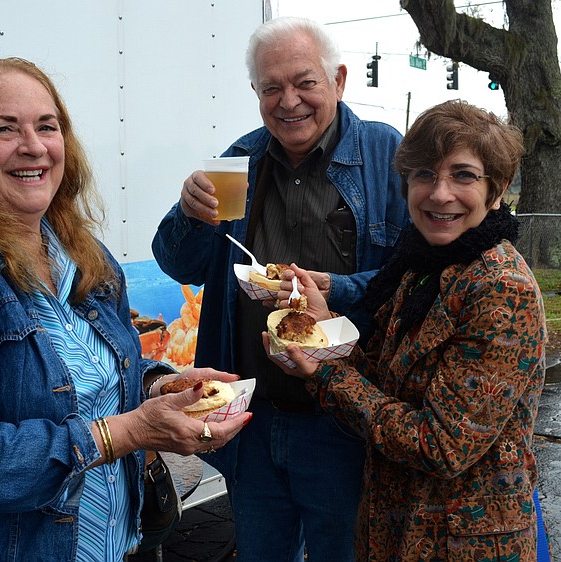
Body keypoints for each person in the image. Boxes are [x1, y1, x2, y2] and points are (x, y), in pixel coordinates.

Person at [0, 57, 249, 562]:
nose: (35, 146)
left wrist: (162, 385)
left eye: (48, 126)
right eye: (5, 128)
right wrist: (131, 431)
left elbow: (101, 374)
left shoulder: (82, 255)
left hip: (116, 546)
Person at [152, 16, 411, 562]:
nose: (288, 101)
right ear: (256, 93)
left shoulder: (387, 156)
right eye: (271, 88)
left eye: (305, 82)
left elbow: (413, 276)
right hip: (254, 415)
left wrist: (337, 290)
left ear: (338, 81)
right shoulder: (239, 160)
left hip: (341, 419)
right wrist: (189, 216)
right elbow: (182, 264)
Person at [271, 99, 547, 561]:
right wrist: (323, 328)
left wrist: (323, 373)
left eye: (462, 175)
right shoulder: (422, 266)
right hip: (396, 528)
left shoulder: (500, 287)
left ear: (495, 190)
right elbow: (382, 379)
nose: (440, 194)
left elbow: (441, 446)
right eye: (424, 175)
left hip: (461, 540)